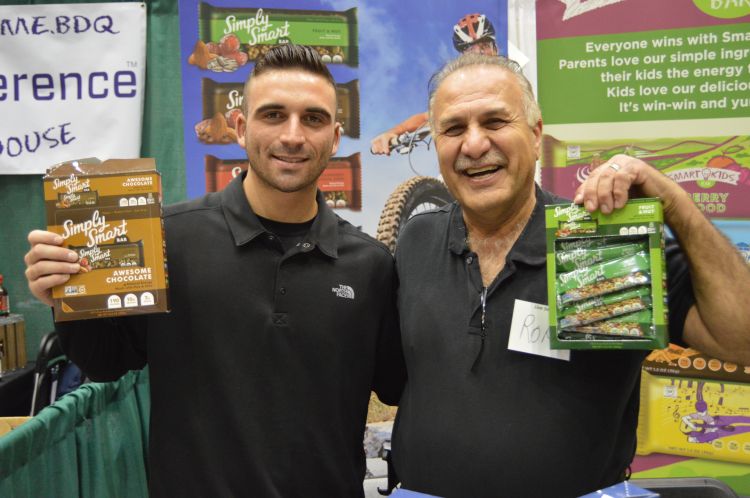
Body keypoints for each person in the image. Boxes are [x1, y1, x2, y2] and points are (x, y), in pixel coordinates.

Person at [24, 44, 405, 498]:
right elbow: (105, 362)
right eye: (273, 115)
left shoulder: (372, 266)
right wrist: (67, 296)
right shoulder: (166, 239)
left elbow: (399, 385)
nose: (293, 135)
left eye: (314, 119)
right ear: (241, 128)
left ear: (336, 136)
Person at [390, 52, 750, 498]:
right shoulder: (415, 241)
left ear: (536, 133)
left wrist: (673, 204)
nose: (475, 144)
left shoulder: (603, 240)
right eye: (454, 128)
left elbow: (740, 340)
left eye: (495, 121)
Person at [370, 13, 500, 155]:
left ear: (496, 48)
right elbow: (428, 117)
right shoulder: (459, 89)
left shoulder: (514, 77)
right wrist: (392, 133)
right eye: (471, 50)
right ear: (463, 57)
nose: (479, 53)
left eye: (485, 45)